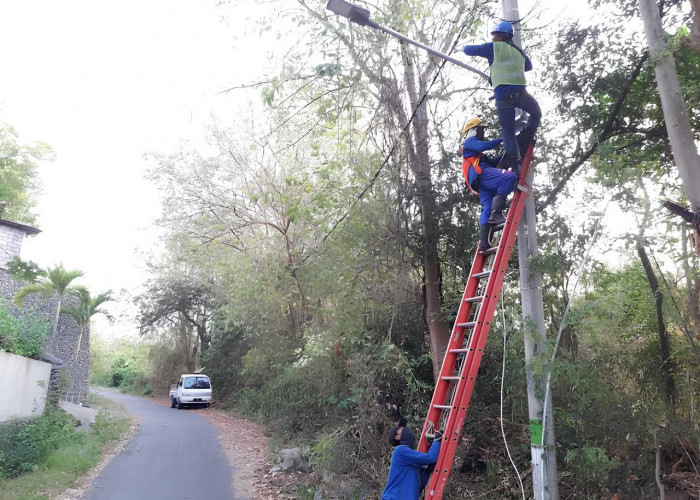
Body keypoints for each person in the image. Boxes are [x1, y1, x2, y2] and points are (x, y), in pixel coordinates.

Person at [462, 21, 541, 172]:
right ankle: (525, 136)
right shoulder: (519, 51)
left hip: (504, 98)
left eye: (494, 35)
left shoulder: (493, 48)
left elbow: (469, 50)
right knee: (537, 114)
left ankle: (514, 164)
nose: (492, 38)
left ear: (499, 36)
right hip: (521, 94)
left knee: (508, 133)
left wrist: (461, 48)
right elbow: (528, 66)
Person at [460, 117, 518, 250]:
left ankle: (484, 242)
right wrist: (503, 139)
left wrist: (506, 155)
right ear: (474, 130)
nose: (483, 132)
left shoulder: (478, 155)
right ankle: (496, 214)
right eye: (481, 129)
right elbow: (483, 145)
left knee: (487, 207)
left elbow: (492, 162)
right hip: (481, 175)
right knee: (510, 177)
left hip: (480, 182)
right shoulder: (469, 142)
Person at [381, 423, 442, 500]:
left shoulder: (408, 458)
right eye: (400, 428)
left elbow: (425, 472)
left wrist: (433, 445)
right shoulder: (400, 450)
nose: (403, 428)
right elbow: (431, 458)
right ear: (397, 437)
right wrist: (436, 440)